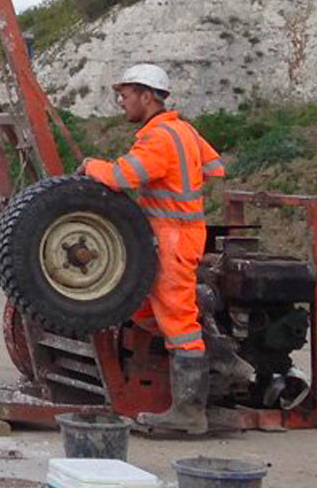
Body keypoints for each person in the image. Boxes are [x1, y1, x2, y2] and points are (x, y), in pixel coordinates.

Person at [77, 64, 225, 434]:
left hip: (175, 235)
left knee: (177, 321)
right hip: (174, 231)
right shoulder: (184, 130)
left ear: (147, 96)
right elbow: (214, 166)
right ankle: (225, 358)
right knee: (143, 308)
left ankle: (190, 414)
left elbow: (122, 177)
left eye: (125, 96)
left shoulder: (159, 137)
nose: (122, 103)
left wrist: (90, 165)